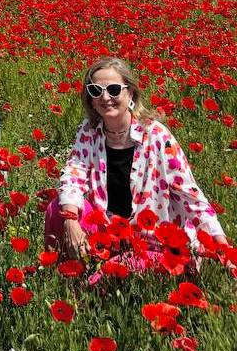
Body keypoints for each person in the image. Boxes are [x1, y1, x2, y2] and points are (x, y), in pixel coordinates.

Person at [45, 56, 228, 263]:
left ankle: (91, 277)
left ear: (130, 92)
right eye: (96, 91)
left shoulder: (157, 136)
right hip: (109, 231)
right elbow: (73, 174)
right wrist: (70, 220)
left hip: (153, 242)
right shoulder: (89, 132)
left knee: (102, 280)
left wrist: (222, 246)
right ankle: (67, 274)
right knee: (57, 210)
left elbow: (190, 195)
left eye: (114, 89)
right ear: (91, 100)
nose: (105, 98)